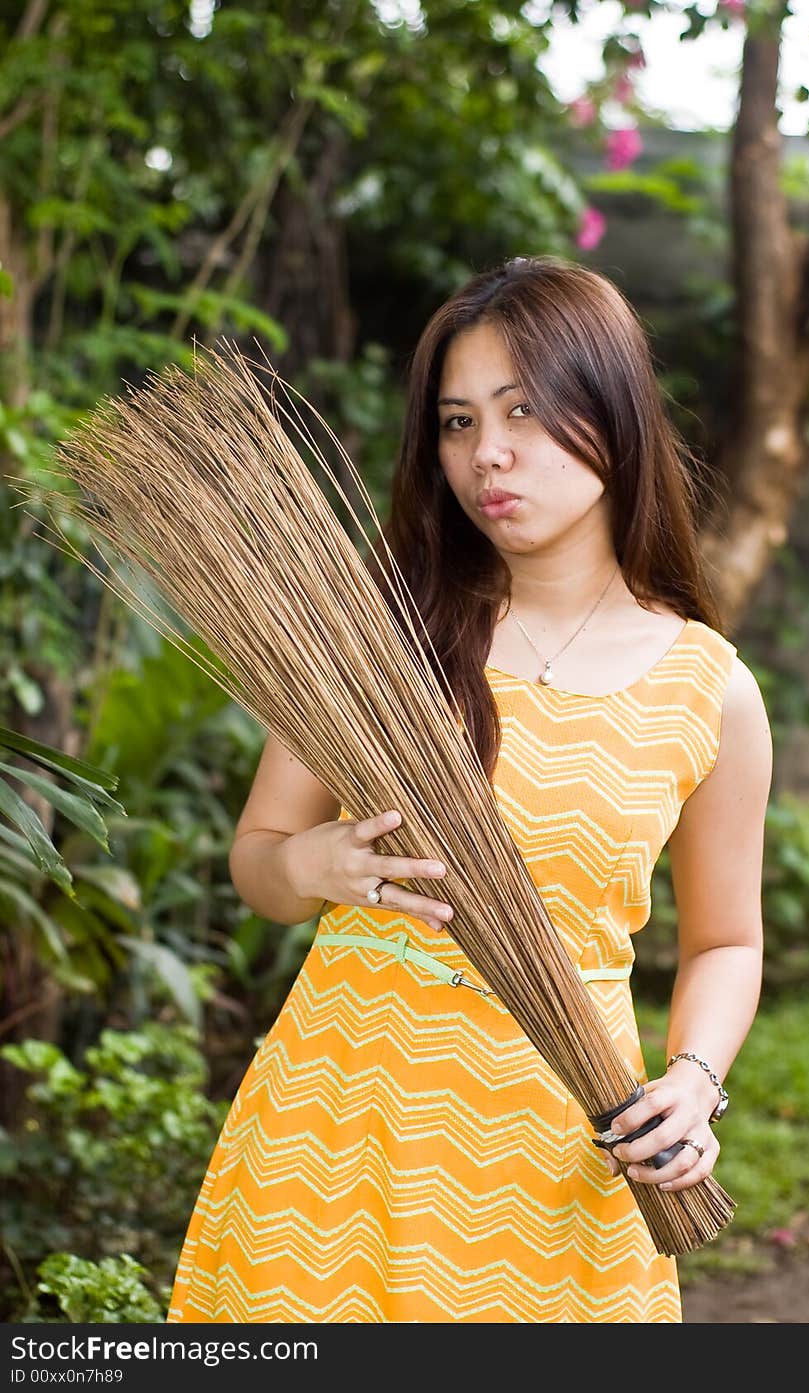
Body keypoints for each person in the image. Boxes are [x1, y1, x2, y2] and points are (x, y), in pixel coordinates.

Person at [166, 254, 772, 1324]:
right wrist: (313, 864)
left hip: (553, 1152)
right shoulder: (379, 635)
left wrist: (693, 1078)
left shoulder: (708, 689)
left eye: (524, 412)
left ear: (613, 415)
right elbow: (260, 858)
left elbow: (727, 939)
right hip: (335, 1122)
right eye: (455, 422)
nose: (486, 454)